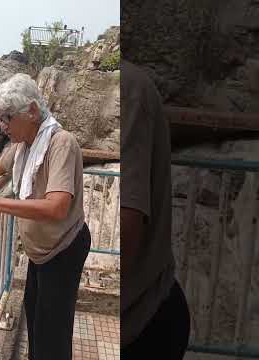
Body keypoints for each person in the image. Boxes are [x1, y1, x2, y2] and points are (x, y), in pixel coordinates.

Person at [0, 73, 90, 360]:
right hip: (42, 253)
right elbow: (0, 166)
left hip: (62, 250)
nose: (3, 126)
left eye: (7, 117)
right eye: (0, 119)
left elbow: (57, 207)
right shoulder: (26, 145)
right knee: (36, 321)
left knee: (52, 336)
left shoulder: (60, 143)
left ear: (32, 111)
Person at [120, 59, 190, 359]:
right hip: (145, 312)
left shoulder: (127, 88)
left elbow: (127, 225)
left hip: (142, 323)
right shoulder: (130, 86)